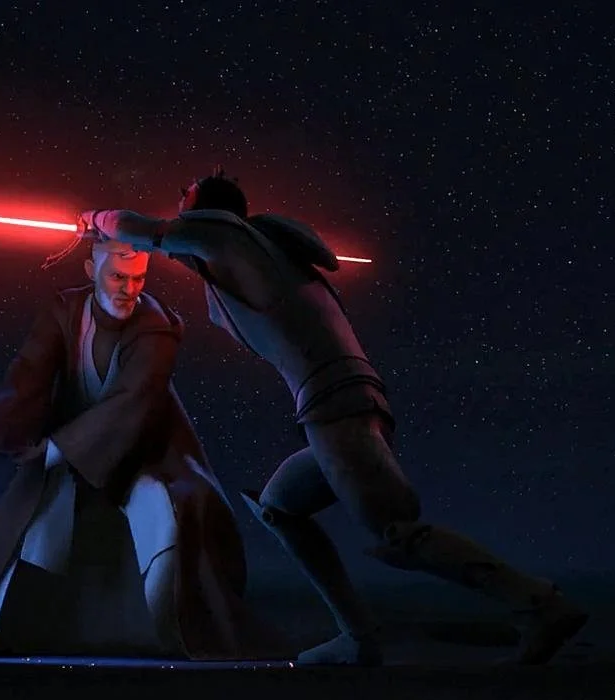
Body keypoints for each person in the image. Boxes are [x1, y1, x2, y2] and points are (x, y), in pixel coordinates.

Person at [77, 168, 588, 666]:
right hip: (339, 403)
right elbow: (177, 250)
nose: (178, 204)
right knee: (280, 507)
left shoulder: (225, 235)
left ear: (202, 208)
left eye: (185, 197)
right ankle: (357, 636)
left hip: (335, 405)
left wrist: (93, 218)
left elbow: (147, 230)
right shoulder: (248, 251)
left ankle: (540, 605)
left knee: (397, 530)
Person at [0, 232, 276, 660]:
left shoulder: (158, 327)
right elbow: (28, 372)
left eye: (138, 278)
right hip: (71, 450)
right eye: (118, 276)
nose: (129, 289)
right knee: (37, 529)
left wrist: (56, 450)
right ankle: (9, 638)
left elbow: (132, 402)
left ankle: (181, 637)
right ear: (90, 270)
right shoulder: (64, 311)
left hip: (145, 455)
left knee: (165, 519)